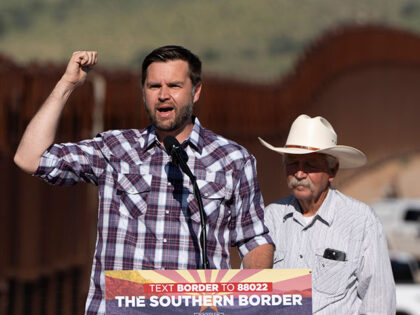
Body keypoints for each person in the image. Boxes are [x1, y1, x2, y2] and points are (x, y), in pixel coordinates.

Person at [14, 46, 274, 314]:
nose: (163, 95)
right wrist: (67, 84)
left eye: (174, 85)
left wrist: (248, 304)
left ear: (196, 91)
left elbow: (253, 239)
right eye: (153, 86)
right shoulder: (115, 149)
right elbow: (30, 158)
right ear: (143, 93)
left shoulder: (233, 160)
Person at [258, 114, 396, 314]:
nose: (299, 173)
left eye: (310, 165)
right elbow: (252, 290)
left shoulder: (360, 220)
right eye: (293, 163)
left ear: (332, 171)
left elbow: (379, 300)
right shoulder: (270, 218)